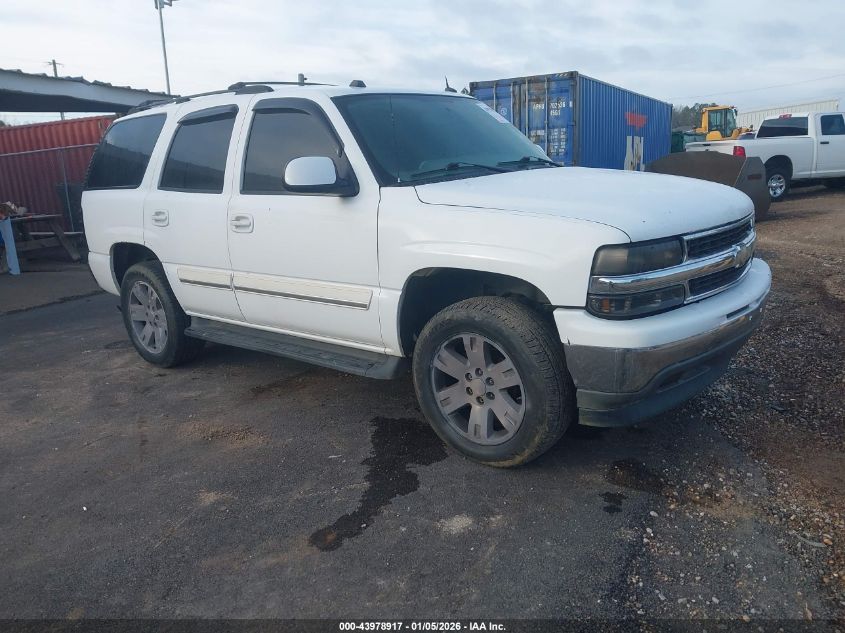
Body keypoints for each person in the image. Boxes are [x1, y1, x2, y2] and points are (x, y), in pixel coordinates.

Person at [0, 201, 21, 275]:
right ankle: (5, 267)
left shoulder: (7, 219)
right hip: (5, 239)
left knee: (7, 247)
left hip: (7, 239)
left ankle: (5, 267)